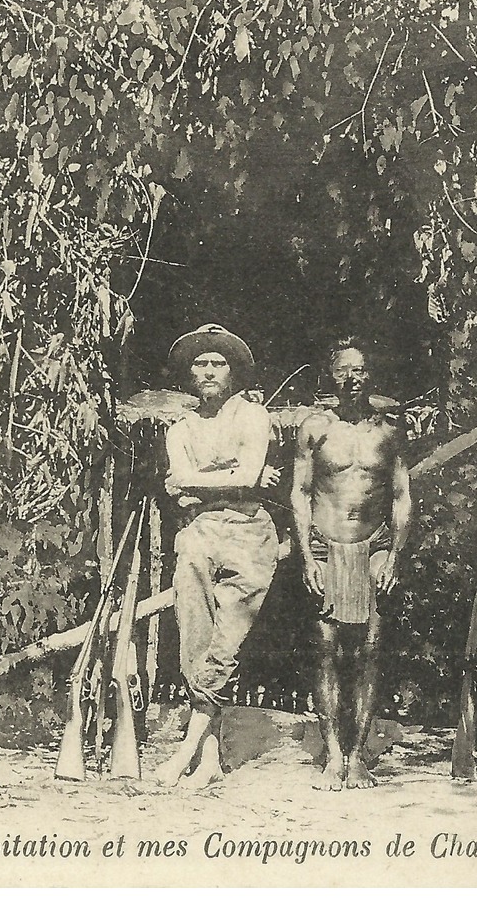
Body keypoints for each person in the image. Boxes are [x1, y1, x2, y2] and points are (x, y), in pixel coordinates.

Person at [154, 324, 281, 789]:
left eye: (218, 363)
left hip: (248, 532)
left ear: (233, 372)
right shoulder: (180, 428)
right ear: (190, 373)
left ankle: (186, 749)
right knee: (196, 635)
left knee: (227, 639)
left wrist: (200, 481)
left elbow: (243, 478)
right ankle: (208, 760)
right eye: (200, 363)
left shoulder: (251, 415)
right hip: (199, 532)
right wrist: (235, 475)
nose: (208, 371)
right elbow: (188, 478)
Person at [291, 336, 412, 790]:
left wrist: (395, 554)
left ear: (370, 375)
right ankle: (333, 755)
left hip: (374, 546)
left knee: (369, 650)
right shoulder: (315, 428)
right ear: (331, 376)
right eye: (343, 370)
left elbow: (401, 496)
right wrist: (306, 555)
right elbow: (301, 493)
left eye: (359, 370)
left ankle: (358, 756)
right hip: (326, 543)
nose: (351, 378)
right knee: (325, 649)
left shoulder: (389, 432)